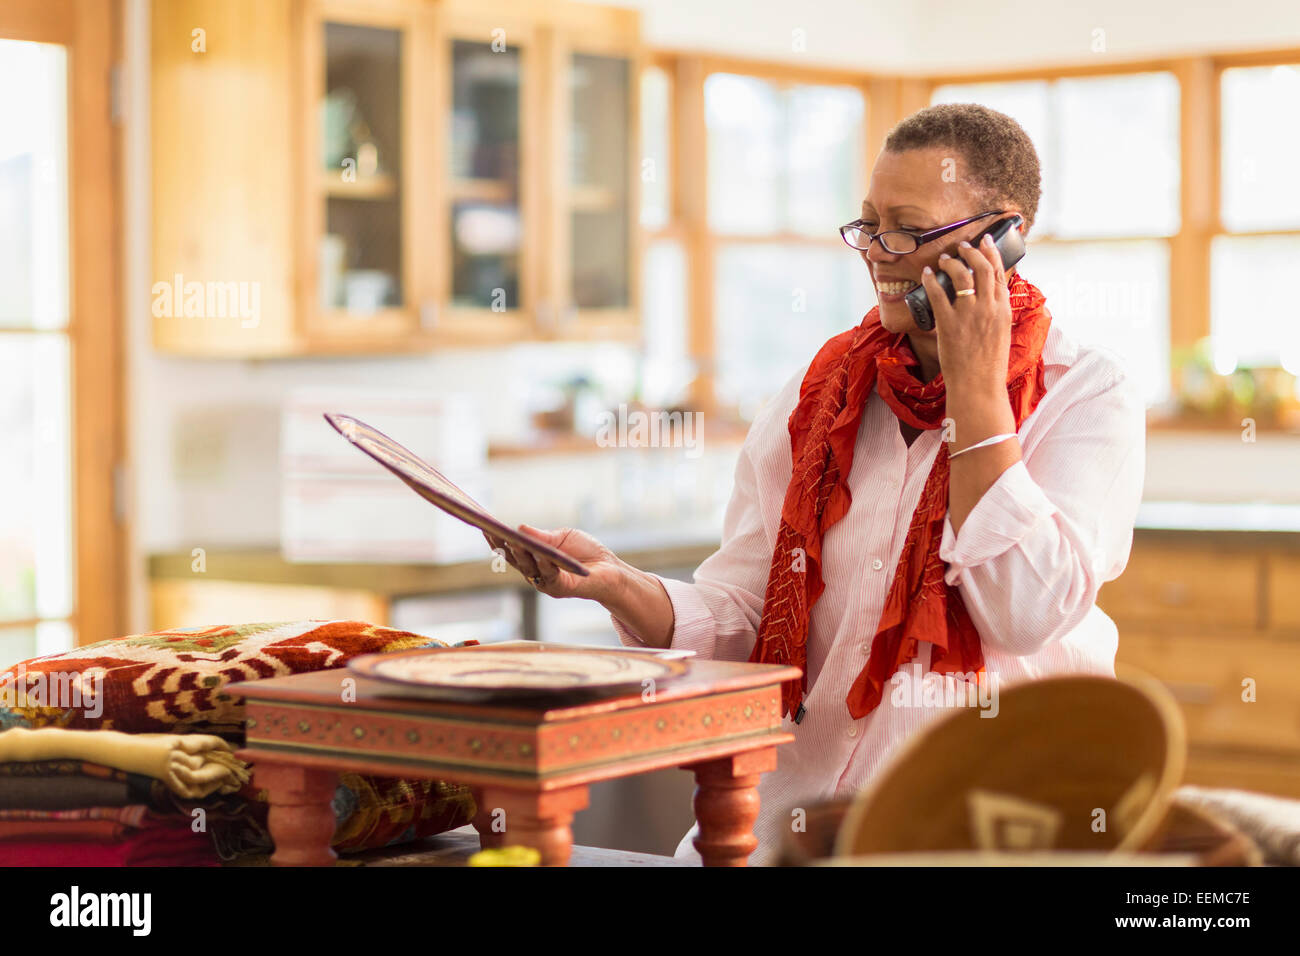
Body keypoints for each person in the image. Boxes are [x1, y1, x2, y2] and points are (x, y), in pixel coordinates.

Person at [483, 102, 1146, 865]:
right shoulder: (819, 396)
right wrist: (617, 585)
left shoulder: (1086, 393)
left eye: (907, 227)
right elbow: (746, 619)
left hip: (974, 835)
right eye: (868, 224)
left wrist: (976, 394)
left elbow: (1024, 612)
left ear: (1002, 235)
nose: (878, 252)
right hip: (784, 831)